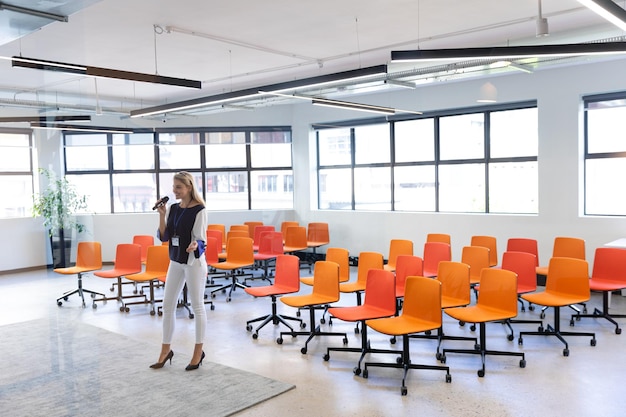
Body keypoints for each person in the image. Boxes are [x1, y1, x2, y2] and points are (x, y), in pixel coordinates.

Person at [150, 171, 208, 371]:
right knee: (167, 306)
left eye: (178, 187)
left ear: (189, 187)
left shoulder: (199, 209)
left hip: (193, 263)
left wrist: (195, 244)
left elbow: (202, 239)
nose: (174, 191)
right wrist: (162, 215)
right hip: (175, 261)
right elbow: (165, 237)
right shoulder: (173, 208)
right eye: (174, 187)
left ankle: (198, 352)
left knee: (197, 306)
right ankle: (166, 350)